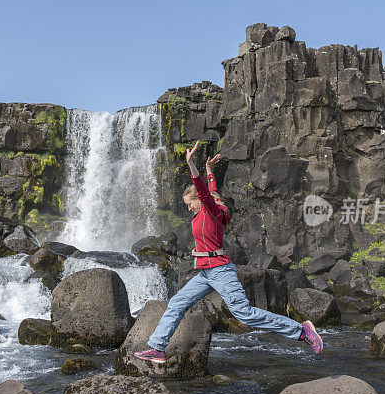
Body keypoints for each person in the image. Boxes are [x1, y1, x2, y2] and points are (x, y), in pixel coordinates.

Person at [134, 141, 323, 364]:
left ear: (200, 201)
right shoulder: (211, 206)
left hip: (220, 270)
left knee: (244, 314)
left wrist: (192, 164)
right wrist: (210, 171)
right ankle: (157, 348)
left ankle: (301, 331)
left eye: (189, 204)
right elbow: (211, 190)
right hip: (205, 273)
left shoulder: (211, 211)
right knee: (177, 303)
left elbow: (205, 192)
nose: (188, 209)